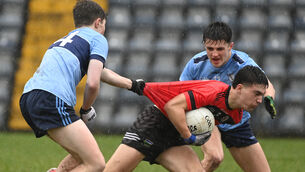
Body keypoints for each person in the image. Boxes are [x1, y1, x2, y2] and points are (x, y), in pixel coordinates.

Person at [19, 1, 144, 172]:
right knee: (97, 164)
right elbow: (93, 83)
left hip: (29, 98)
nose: (103, 31)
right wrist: (85, 109)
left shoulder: (66, 40)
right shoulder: (97, 38)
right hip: (50, 98)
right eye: (104, 26)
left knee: (82, 153)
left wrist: (132, 85)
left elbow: (101, 71)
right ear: (98, 22)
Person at [104, 65, 269, 172]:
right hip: (155, 124)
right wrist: (189, 137)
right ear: (239, 88)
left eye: (262, 95)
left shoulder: (235, 115)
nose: (260, 100)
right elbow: (172, 107)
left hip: (174, 135)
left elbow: (203, 120)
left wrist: (199, 136)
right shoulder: (213, 91)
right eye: (257, 94)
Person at [180, 21, 276, 172]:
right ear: (204, 45)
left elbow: (266, 83)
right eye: (209, 49)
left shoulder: (242, 63)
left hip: (237, 122)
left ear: (230, 46)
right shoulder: (196, 63)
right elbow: (180, 91)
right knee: (214, 157)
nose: (214, 54)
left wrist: (268, 98)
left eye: (220, 49)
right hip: (207, 118)